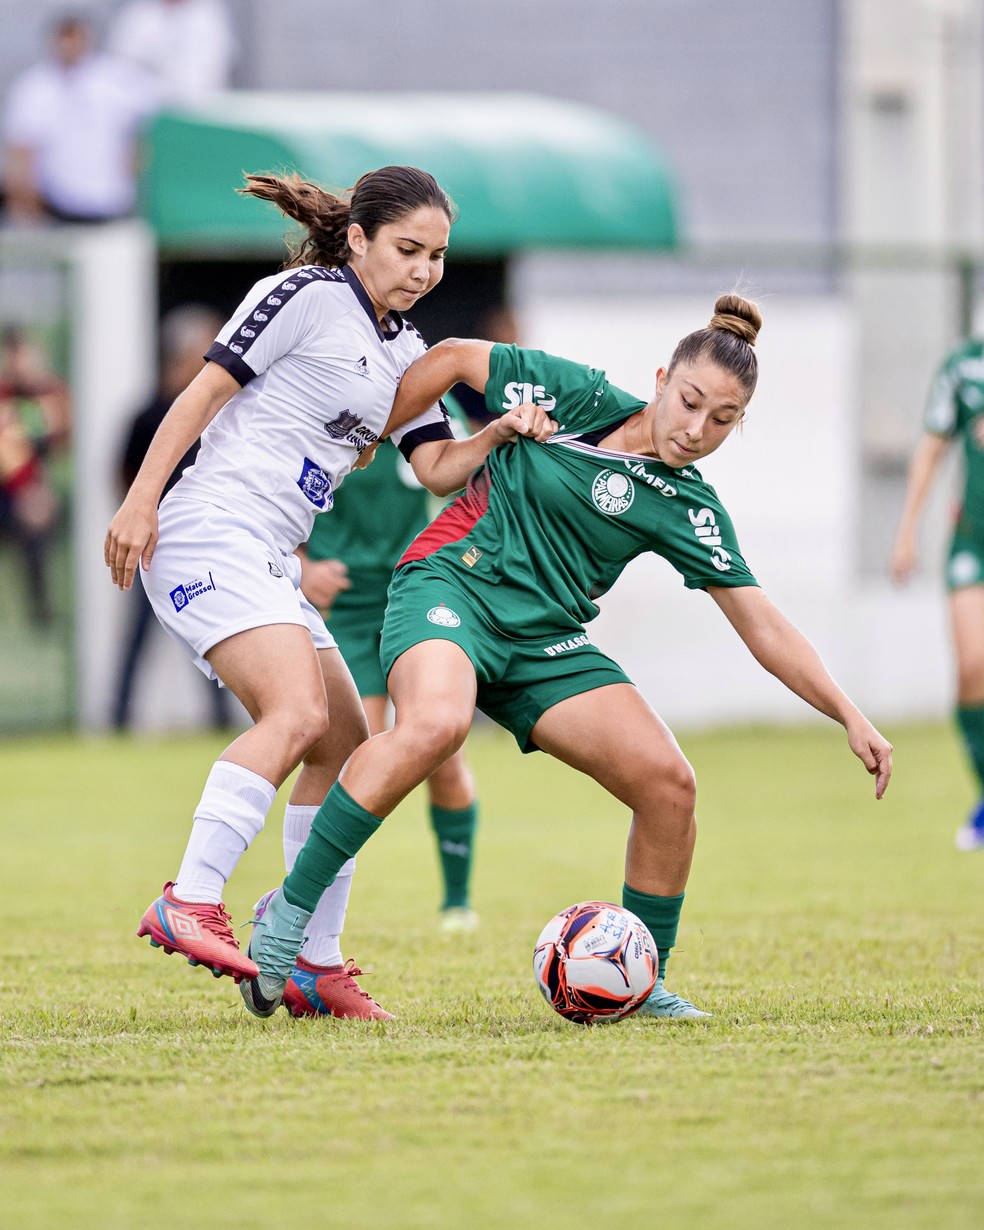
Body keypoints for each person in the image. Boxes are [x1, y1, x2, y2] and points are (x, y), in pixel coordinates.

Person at [241, 293, 894, 1023]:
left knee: (669, 785)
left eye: (722, 419)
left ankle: (641, 981)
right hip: (451, 586)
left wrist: (849, 714)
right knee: (436, 726)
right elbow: (451, 359)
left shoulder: (688, 506)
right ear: (661, 380)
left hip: (545, 641)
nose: (696, 429)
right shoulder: (576, 394)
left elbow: (763, 625)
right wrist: (369, 434)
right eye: (689, 401)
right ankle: (288, 918)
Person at [103, 165, 557, 1020]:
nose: (424, 270)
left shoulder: (407, 353)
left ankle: (312, 962)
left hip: (268, 553)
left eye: (438, 256)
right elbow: (201, 394)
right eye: (408, 249)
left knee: (349, 742)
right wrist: (140, 500)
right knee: (298, 714)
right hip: (210, 526)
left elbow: (436, 468)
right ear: (357, 239)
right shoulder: (305, 296)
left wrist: (496, 432)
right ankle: (190, 897)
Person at [299, 433, 483, 934]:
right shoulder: (329, 415)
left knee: (442, 750)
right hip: (344, 606)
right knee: (348, 755)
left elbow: (486, 496)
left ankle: (457, 903)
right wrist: (301, 567)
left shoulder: (437, 425)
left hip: (417, 593)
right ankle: (307, 912)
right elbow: (267, 496)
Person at [112, 305, 236, 730]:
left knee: (208, 630)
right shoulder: (149, 414)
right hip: (152, 543)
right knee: (139, 635)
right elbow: (124, 474)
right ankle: (118, 718)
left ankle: (219, 719)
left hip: (204, 539)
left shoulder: (221, 412)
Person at [889, 336, 984, 851]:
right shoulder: (964, 367)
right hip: (974, 540)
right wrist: (907, 532)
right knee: (972, 668)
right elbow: (930, 450)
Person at [2, 12, 158, 224]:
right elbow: (20, 152)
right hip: (58, 206)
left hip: (116, 202)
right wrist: (25, 207)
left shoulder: (118, 79)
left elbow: (149, 126)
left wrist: (138, 163)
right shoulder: (33, 88)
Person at [0, 325, 71, 627]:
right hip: (13, 493)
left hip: (38, 492)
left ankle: (40, 611)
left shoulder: (51, 394)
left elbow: (62, 441)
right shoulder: (6, 395)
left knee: (35, 540)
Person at [107, 0, 235, 103]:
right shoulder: (141, 10)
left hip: (189, 100)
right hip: (138, 94)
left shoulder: (208, 17)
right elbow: (120, 62)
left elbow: (197, 81)